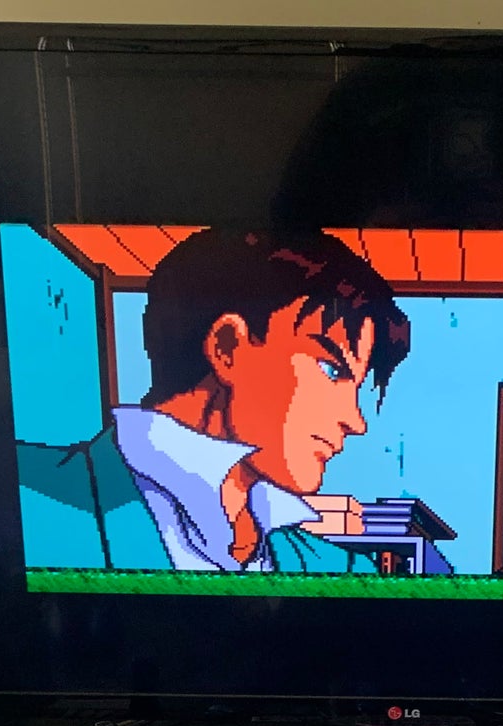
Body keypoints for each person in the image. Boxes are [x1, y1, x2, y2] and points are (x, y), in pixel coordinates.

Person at [68, 228, 411, 572]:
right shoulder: (47, 504)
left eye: (356, 386)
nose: (356, 421)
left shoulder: (341, 569)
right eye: (331, 370)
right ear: (228, 348)